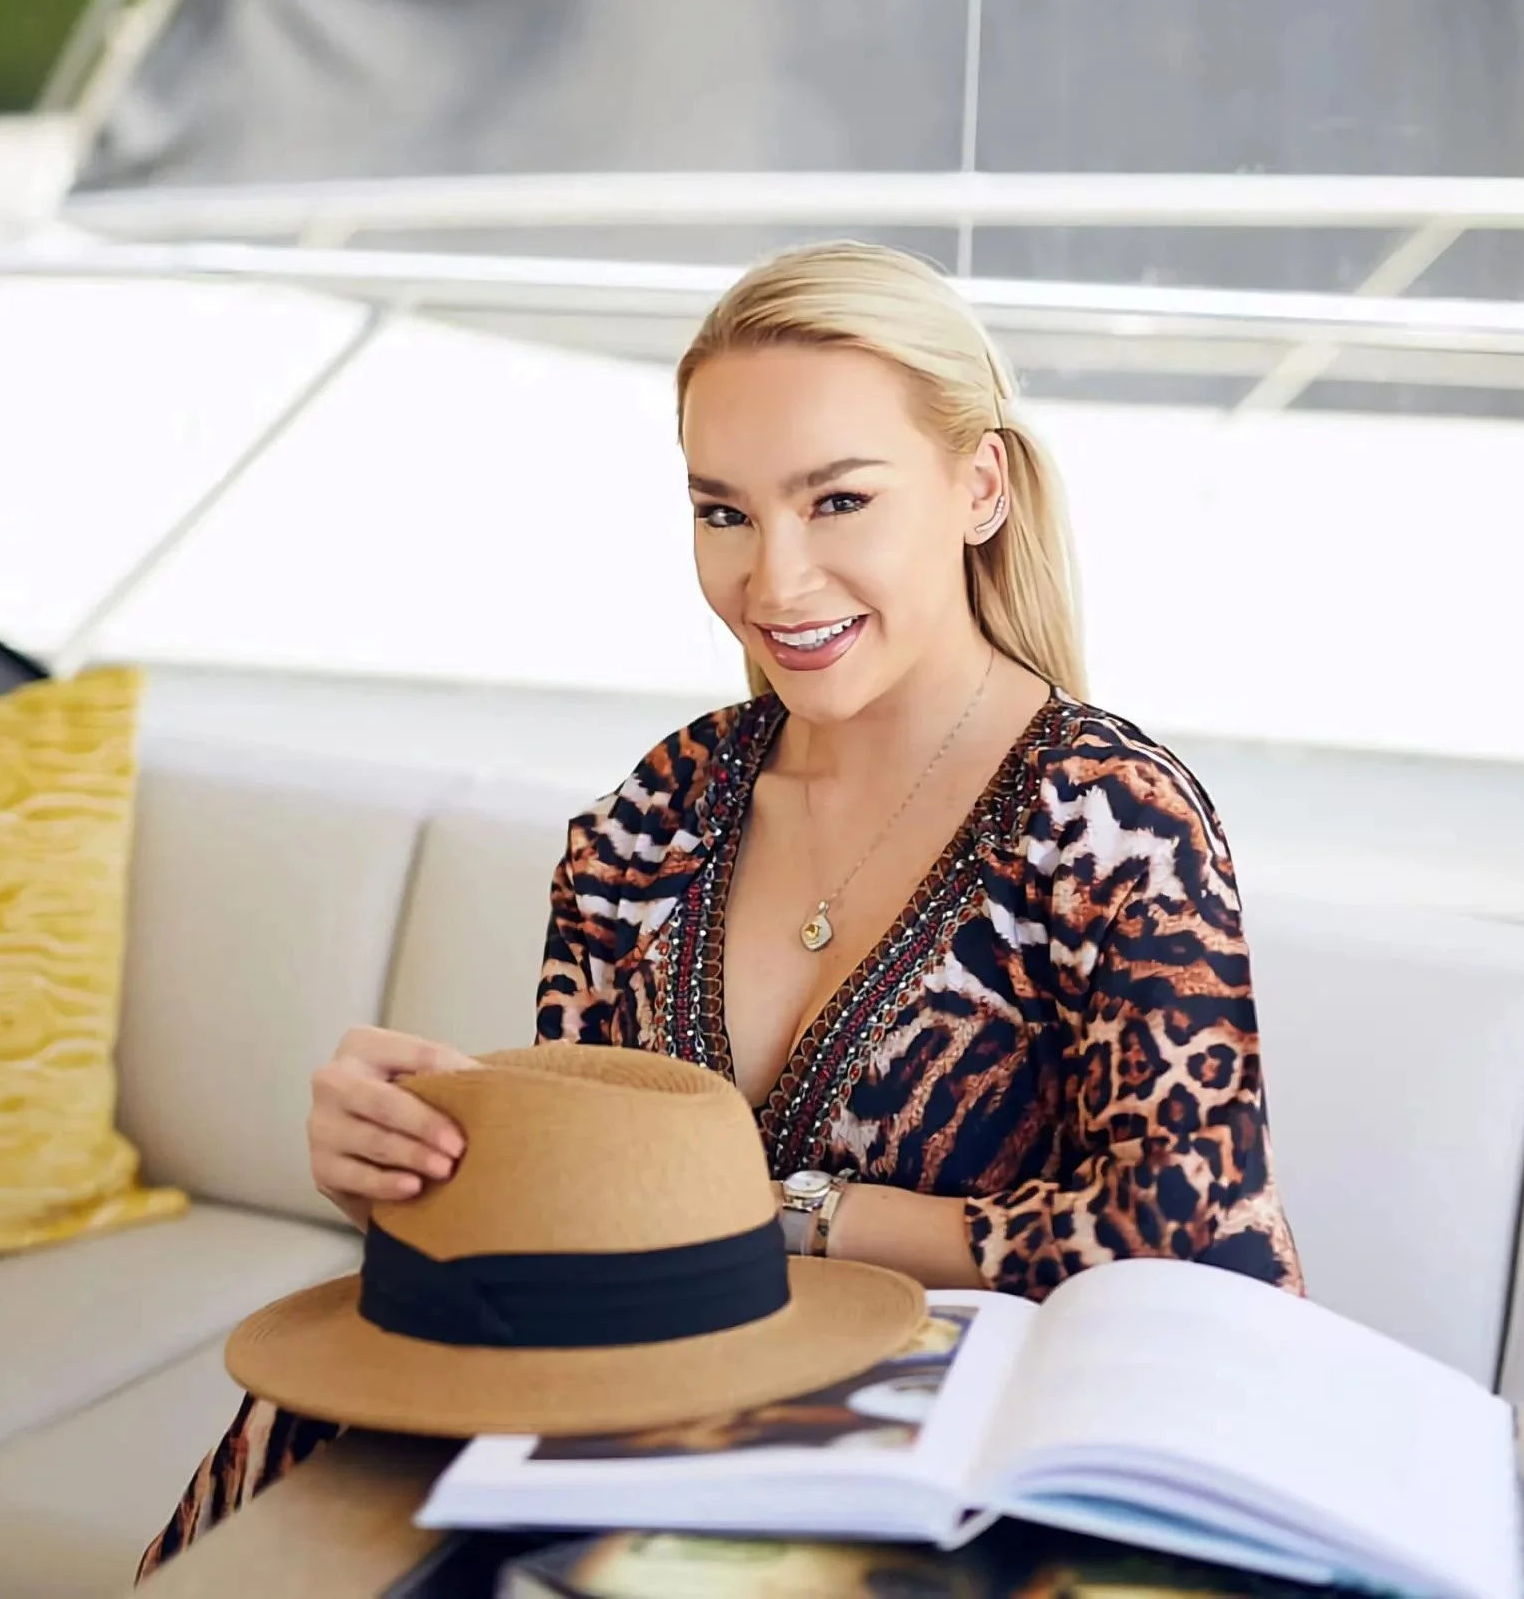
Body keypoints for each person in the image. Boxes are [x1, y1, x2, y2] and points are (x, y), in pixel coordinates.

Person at [138, 241, 1302, 1579]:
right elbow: (594, 1216)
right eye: (724, 512)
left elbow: (1192, 1242)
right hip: (627, 1420)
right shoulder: (661, 810)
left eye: (838, 501)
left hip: (933, 1484)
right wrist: (409, 1159)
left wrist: (792, 1216)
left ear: (979, 485)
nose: (775, 583)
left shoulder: (1111, 818)